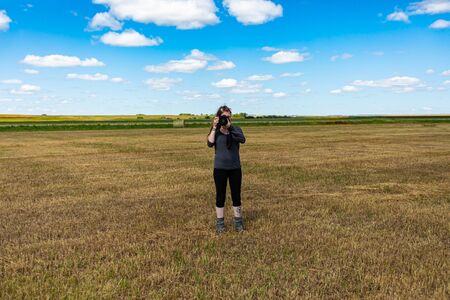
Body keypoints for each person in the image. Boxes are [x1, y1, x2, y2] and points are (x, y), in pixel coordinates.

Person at [206, 105, 246, 234]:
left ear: (231, 117)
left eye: (228, 117)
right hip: (220, 168)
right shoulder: (216, 131)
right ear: (218, 117)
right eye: (223, 117)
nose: (226, 119)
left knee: (236, 196)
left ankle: (238, 223)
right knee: (220, 196)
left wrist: (230, 127)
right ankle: (220, 224)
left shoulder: (236, 130)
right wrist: (214, 127)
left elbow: (242, 140)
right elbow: (210, 143)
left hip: (235, 168)